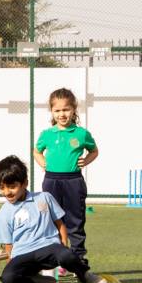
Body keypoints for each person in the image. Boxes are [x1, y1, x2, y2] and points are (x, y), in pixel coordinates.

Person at [0, 155, 107, 283]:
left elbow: (60, 223)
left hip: (49, 248)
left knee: (67, 255)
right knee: (8, 277)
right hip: (22, 254)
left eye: (12, 187)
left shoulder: (45, 197)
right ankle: (42, 282)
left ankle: (86, 276)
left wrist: (63, 245)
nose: (7, 192)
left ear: (25, 183)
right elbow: (8, 246)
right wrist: (12, 269)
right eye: (2, 188)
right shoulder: (2, 214)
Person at [32, 88, 97, 270]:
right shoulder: (47, 134)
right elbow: (36, 151)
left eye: (66, 109)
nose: (62, 114)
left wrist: (86, 160)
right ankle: (55, 260)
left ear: (74, 109)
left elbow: (94, 151)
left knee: (75, 221)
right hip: (51, 181)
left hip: (74, 182)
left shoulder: (81, 133)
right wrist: (43, 162)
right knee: (51, 220)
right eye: (57, 110)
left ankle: (77, 259)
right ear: (52, 112)